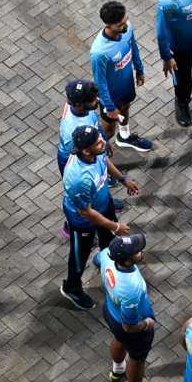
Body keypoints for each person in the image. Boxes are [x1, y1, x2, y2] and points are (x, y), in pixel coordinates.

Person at [60, 126, 138, 310]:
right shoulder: (78, 178)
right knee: (80, 255)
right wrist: (114, 225)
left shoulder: (96, 152)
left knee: (109, 241)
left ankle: (105, 260)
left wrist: (123, 179)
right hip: (84, 221)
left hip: (103, 203)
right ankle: (72, 287)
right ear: (86, 150)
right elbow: (85, 212)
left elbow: (105, 162)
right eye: (98, 142)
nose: (103, 141)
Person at [98, 233, 163, 382]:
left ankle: (117, 371)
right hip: (128, 325)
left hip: (110, 312)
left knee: (120, 339)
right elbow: (130, 326)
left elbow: (97, 260)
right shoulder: (130, 288)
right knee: (136, 358)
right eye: (136, 250)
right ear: (127, 260)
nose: (141, 250)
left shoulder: (106, 255)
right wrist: (146, 324)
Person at [90, 1, 153, 153]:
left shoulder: (127, 28)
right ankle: (96, 156)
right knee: (108, 131)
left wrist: (139, 69)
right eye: (121, 24)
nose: (126, 25)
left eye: (126, 20)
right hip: (111, 96)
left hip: (126, 84)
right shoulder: (99, 53)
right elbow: (100, 82)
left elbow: (133, 46)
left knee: (125, 107)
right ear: (108, 25)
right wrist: (110, 106)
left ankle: (124, 137)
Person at [57, 80, 104, 238]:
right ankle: (71, 227)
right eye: (92, 100)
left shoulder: (82, 108)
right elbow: (80, 162)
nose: (96, 101)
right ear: (78, 104)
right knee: (78, 194)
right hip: (68, 158)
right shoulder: (72, 131)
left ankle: (100, 204)